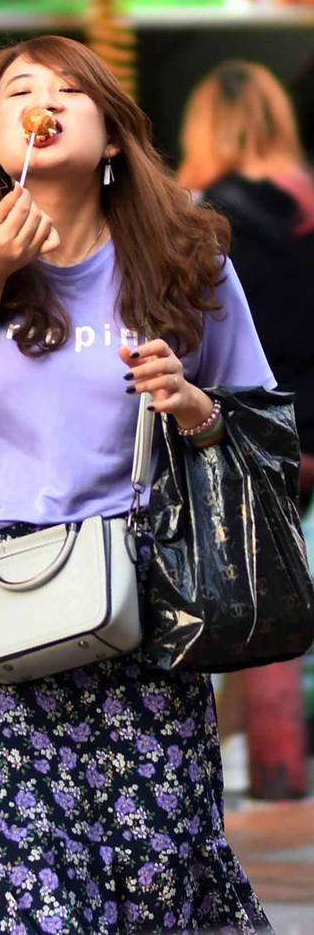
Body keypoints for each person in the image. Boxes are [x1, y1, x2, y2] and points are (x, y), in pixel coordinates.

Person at [0, 35, 273, 932]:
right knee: (35, 900)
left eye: (70, 88)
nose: (45, 102)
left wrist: (190, 404)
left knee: (158, 883)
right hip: (2, 609)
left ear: (111, 136)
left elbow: (258, 433)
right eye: (20, 91)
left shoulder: (186, 249)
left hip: (144, 607)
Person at [177, 59, 314, 799]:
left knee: (235, 587)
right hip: (306, 425)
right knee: (279, 576)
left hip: (237, 424)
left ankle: (261, 761)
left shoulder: (204, 219)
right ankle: (268, 760)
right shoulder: (307, 205)